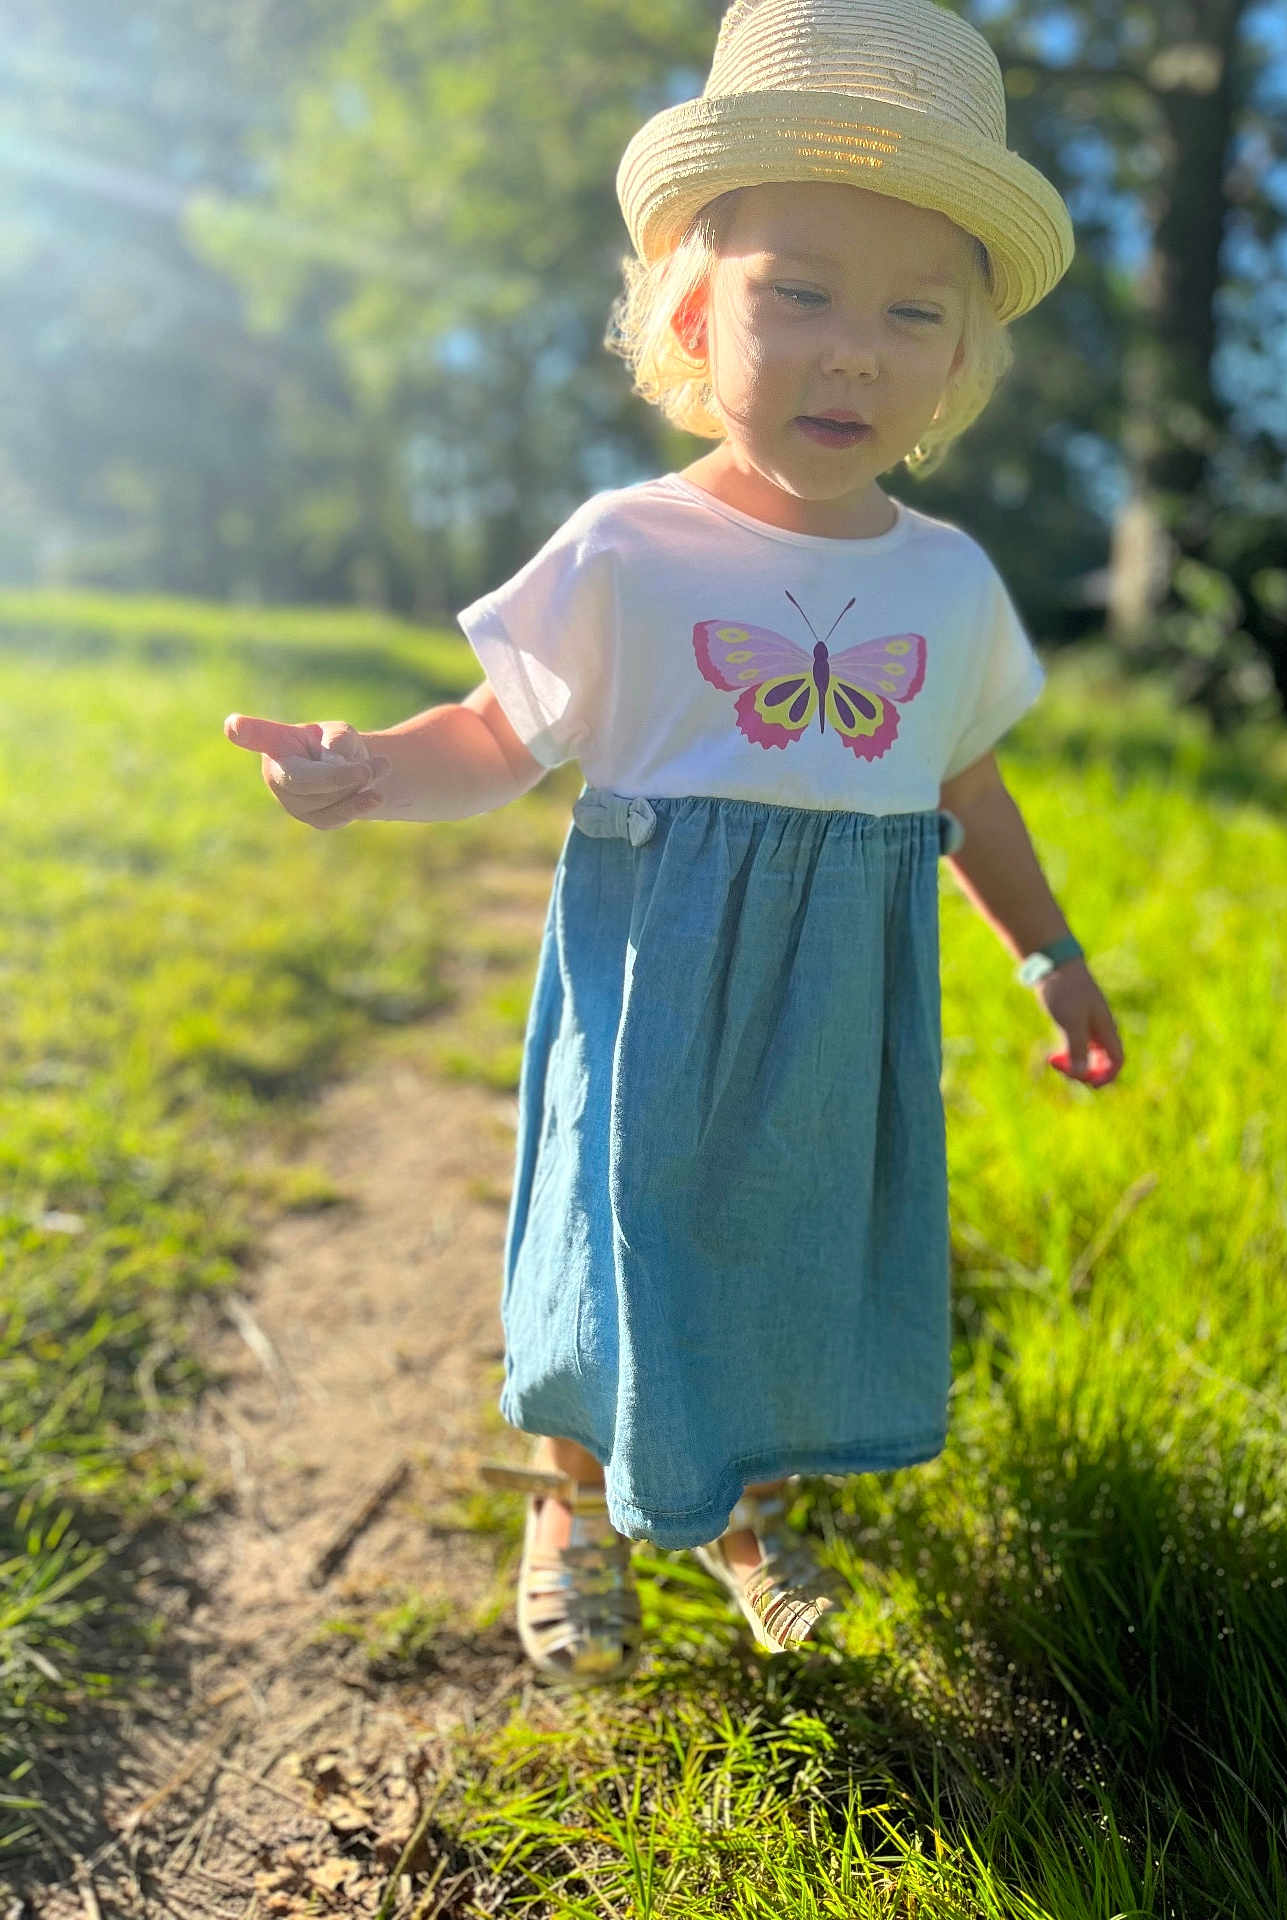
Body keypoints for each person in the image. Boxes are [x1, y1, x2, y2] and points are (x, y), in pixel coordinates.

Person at [224, 0, 1125, 1691]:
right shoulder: (629, 547)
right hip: (659, 982)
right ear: (697, 316)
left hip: (839, 999)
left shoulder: (943, 583)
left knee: (787, 1237)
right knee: (614, 1223)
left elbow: (966, 788)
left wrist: (1049, 953)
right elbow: (502, 736)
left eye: (910, 312)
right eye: (801, 295)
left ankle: (746, 1502)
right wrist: (370, 768)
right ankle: (572, 1495)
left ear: (955, 364)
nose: (852, 348)